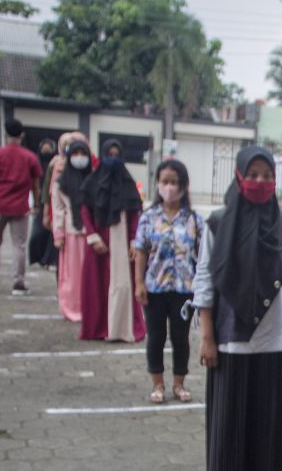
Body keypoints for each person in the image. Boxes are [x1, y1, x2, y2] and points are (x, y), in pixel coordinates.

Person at [193, 146, 282, 471]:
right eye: (252, 174)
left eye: (266, 175)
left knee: (266, 416)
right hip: (229, 334)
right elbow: (205, 278)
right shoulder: (218, 222)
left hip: (272, 335)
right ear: (239, 177)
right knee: (228, 417)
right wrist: (207, 336)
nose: (259, 182)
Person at [133, 159, 204, 404]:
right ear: (158, 185)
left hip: (185, 289)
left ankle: (178, 383)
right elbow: (141, 251)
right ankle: (157, 384)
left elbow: (203, 254)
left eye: (175, 182)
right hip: (155, 287)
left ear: (184, 186)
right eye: (165, 182)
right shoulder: (148, 217)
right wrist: (139, 283)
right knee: (155, 337)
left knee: (181, 337)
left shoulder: (194, 219)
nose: (169, 187)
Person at [79, 139, 145, 342]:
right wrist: (92, 236)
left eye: (117, 155)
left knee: (123, 284)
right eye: (109, 155)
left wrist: (134, 240)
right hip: (99, 243)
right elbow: (85, 211)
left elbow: (135, 214)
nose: (113, 160)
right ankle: (99, 328)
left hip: (123, 242)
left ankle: (122, 328)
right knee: (97, 286)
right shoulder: (91, 182)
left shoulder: (128, 184)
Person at [0, 118, 42, 295]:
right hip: (20, 207)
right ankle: (19, 283)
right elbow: (35, 185)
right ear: (21, 135)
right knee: (19, 245)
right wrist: (36, 203)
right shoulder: (30, 157)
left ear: (6, 134)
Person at [50, 132, 89, 323]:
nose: (80, 158)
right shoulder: (61, 181)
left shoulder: (92, 179)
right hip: (71, 233)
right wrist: (58, 233)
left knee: (88, 276)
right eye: (76, 153)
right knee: (72, 277)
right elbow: (57, 208)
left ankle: (88, 307)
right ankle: (71, 308)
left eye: (83, 153)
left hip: (90, 234)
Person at [28, 137, 59, 270]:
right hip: (39, 202)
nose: (46, 152)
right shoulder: (35, 163)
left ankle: (49, 259)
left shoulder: (56, 164)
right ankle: (37, 257)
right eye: (44, 150)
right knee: (38, 233)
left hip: (53, 202)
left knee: (51, 234)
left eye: (49, 150)